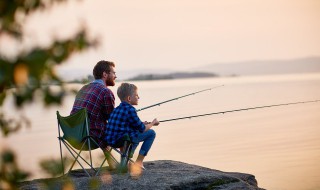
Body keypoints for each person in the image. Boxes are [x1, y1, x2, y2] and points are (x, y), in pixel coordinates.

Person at [70, 60, 117, 168]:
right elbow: (112, 120)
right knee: (117, 129)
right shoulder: (105, 92)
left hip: (73, 135)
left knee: (101, 127)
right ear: (105, 74)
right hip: (89, 138)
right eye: (113, 73)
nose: (115, 76)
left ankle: (113, 163)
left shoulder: (83, 88)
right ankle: (118, 164)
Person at [105, 83, 159, 175]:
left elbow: (127, 123)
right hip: (122, 140)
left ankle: (126, 162)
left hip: (111, 141)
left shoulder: (116, 109)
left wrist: (142, 123)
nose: (138, 97)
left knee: (134, 132)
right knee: (151, 133)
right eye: (136, 95)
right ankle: (138, 163)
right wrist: (152, 123)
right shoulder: (131, 110)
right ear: (129, 98)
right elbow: (142, 129)